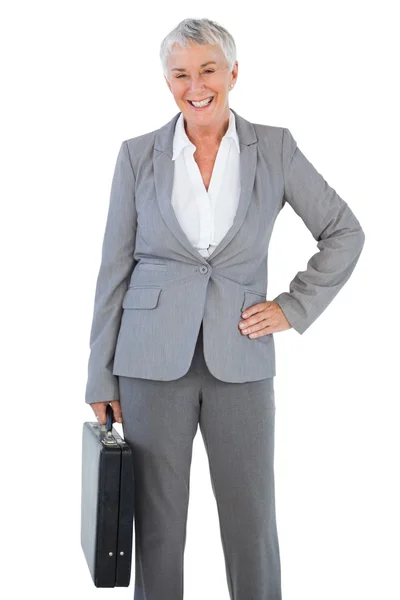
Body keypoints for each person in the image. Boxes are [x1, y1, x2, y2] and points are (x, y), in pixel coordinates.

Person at [84, 17, 365, 600]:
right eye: (181, 74)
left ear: (233, 73)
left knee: (252, 526)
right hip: (148, 366)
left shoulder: (275, 147)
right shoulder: (137, 156)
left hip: (241, 358)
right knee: (157, 530)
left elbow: (344, 232)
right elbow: (113, 270)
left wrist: (293, 306)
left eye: (208, 70)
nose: (196, 85)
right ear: (167, 82)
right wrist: (99, 372)